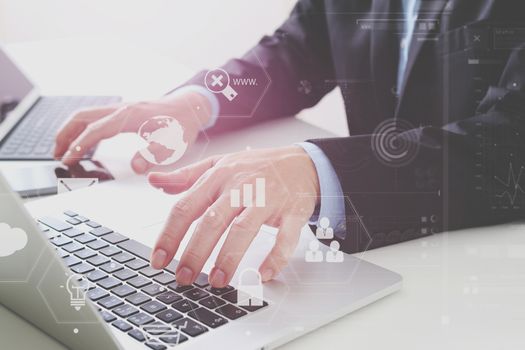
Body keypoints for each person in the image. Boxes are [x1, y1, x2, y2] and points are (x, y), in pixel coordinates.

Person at [54, 0, 525, 289]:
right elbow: (296, 53)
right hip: (371, 263)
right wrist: (198, 103)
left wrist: (316, 169)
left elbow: (511, 143)